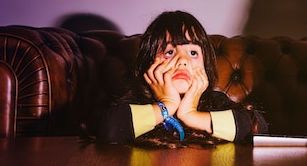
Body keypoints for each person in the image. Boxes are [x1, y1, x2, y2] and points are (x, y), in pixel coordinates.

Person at [97, 10, 267, 147]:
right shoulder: (137, 102)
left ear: (205, 66)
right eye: (169, 52)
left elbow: (257, 127)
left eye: (193, 53)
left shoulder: (214, 102)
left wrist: (191, 115)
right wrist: (166, 105)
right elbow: (108, 130)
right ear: (149, 64)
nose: (183, 61)